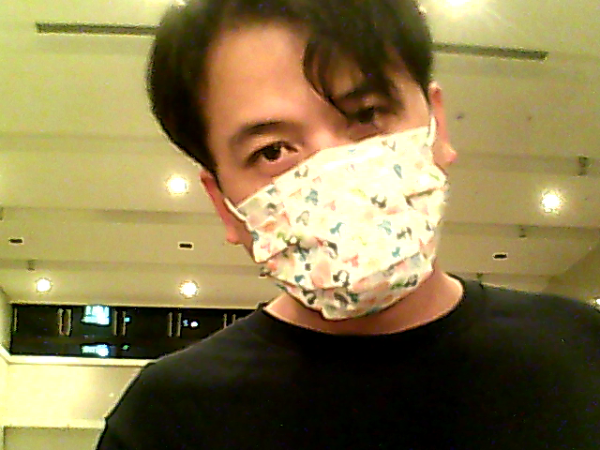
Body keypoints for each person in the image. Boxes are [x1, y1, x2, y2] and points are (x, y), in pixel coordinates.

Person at [96, 0, 600, 448]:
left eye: (367, 114)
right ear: (224, 205)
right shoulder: (167, 419)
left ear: (437, 126)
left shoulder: (581, 350)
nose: (337, 171)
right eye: (273, 151)